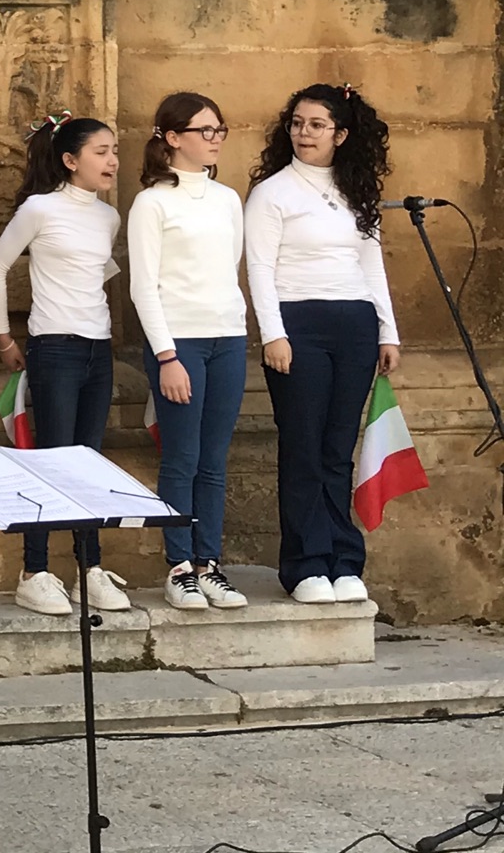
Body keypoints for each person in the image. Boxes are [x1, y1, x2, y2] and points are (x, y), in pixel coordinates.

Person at [246, 83, 399, 605]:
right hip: (298, 323)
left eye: (316, 125)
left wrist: (387, 331)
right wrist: (274, 334)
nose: (304, 133)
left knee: (338, 449)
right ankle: (306, 563)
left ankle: (343, 559)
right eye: (297, 123)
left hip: (354, 323)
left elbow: (371, 265)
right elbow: (259, 268)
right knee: (304, 446)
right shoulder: (272, 193)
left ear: (341, 134)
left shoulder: (357, 191)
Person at [0, 114, 133, 617]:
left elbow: (99, 271)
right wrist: (4, 337)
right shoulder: (39, 209)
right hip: (55, 347)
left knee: (88, 463)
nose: (111, 160)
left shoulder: (108, 217)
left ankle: (88, 569)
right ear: (70, 160)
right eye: (100, 151)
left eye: (114, 150)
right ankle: (35, 570)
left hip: (98, 347)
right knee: (50, 460)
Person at [129, 92, 250, 611]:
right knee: (181, 457)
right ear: (173, 138)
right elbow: (143, 286)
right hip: (180, 344)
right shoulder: (151, 202)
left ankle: (209, 564)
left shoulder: (228, 200)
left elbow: (231, 268)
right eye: (205, 130)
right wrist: (166, 355)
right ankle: (179, 566)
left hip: (228, 338)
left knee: (215, 460)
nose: (215, 138)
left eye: (220, 129)